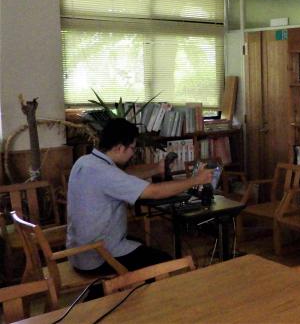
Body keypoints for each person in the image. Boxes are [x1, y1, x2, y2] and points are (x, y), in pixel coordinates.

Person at [66, 117, 212, 276]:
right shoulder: (105, 173)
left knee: (139, 245)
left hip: (79, 252)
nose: (133, 153)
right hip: (97, 257)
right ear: (120, 148)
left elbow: (123, 175)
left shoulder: (85, 162)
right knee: (164, 261)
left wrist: (157, 168)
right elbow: (154, 191)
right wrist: (196, 180)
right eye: (133, 148)